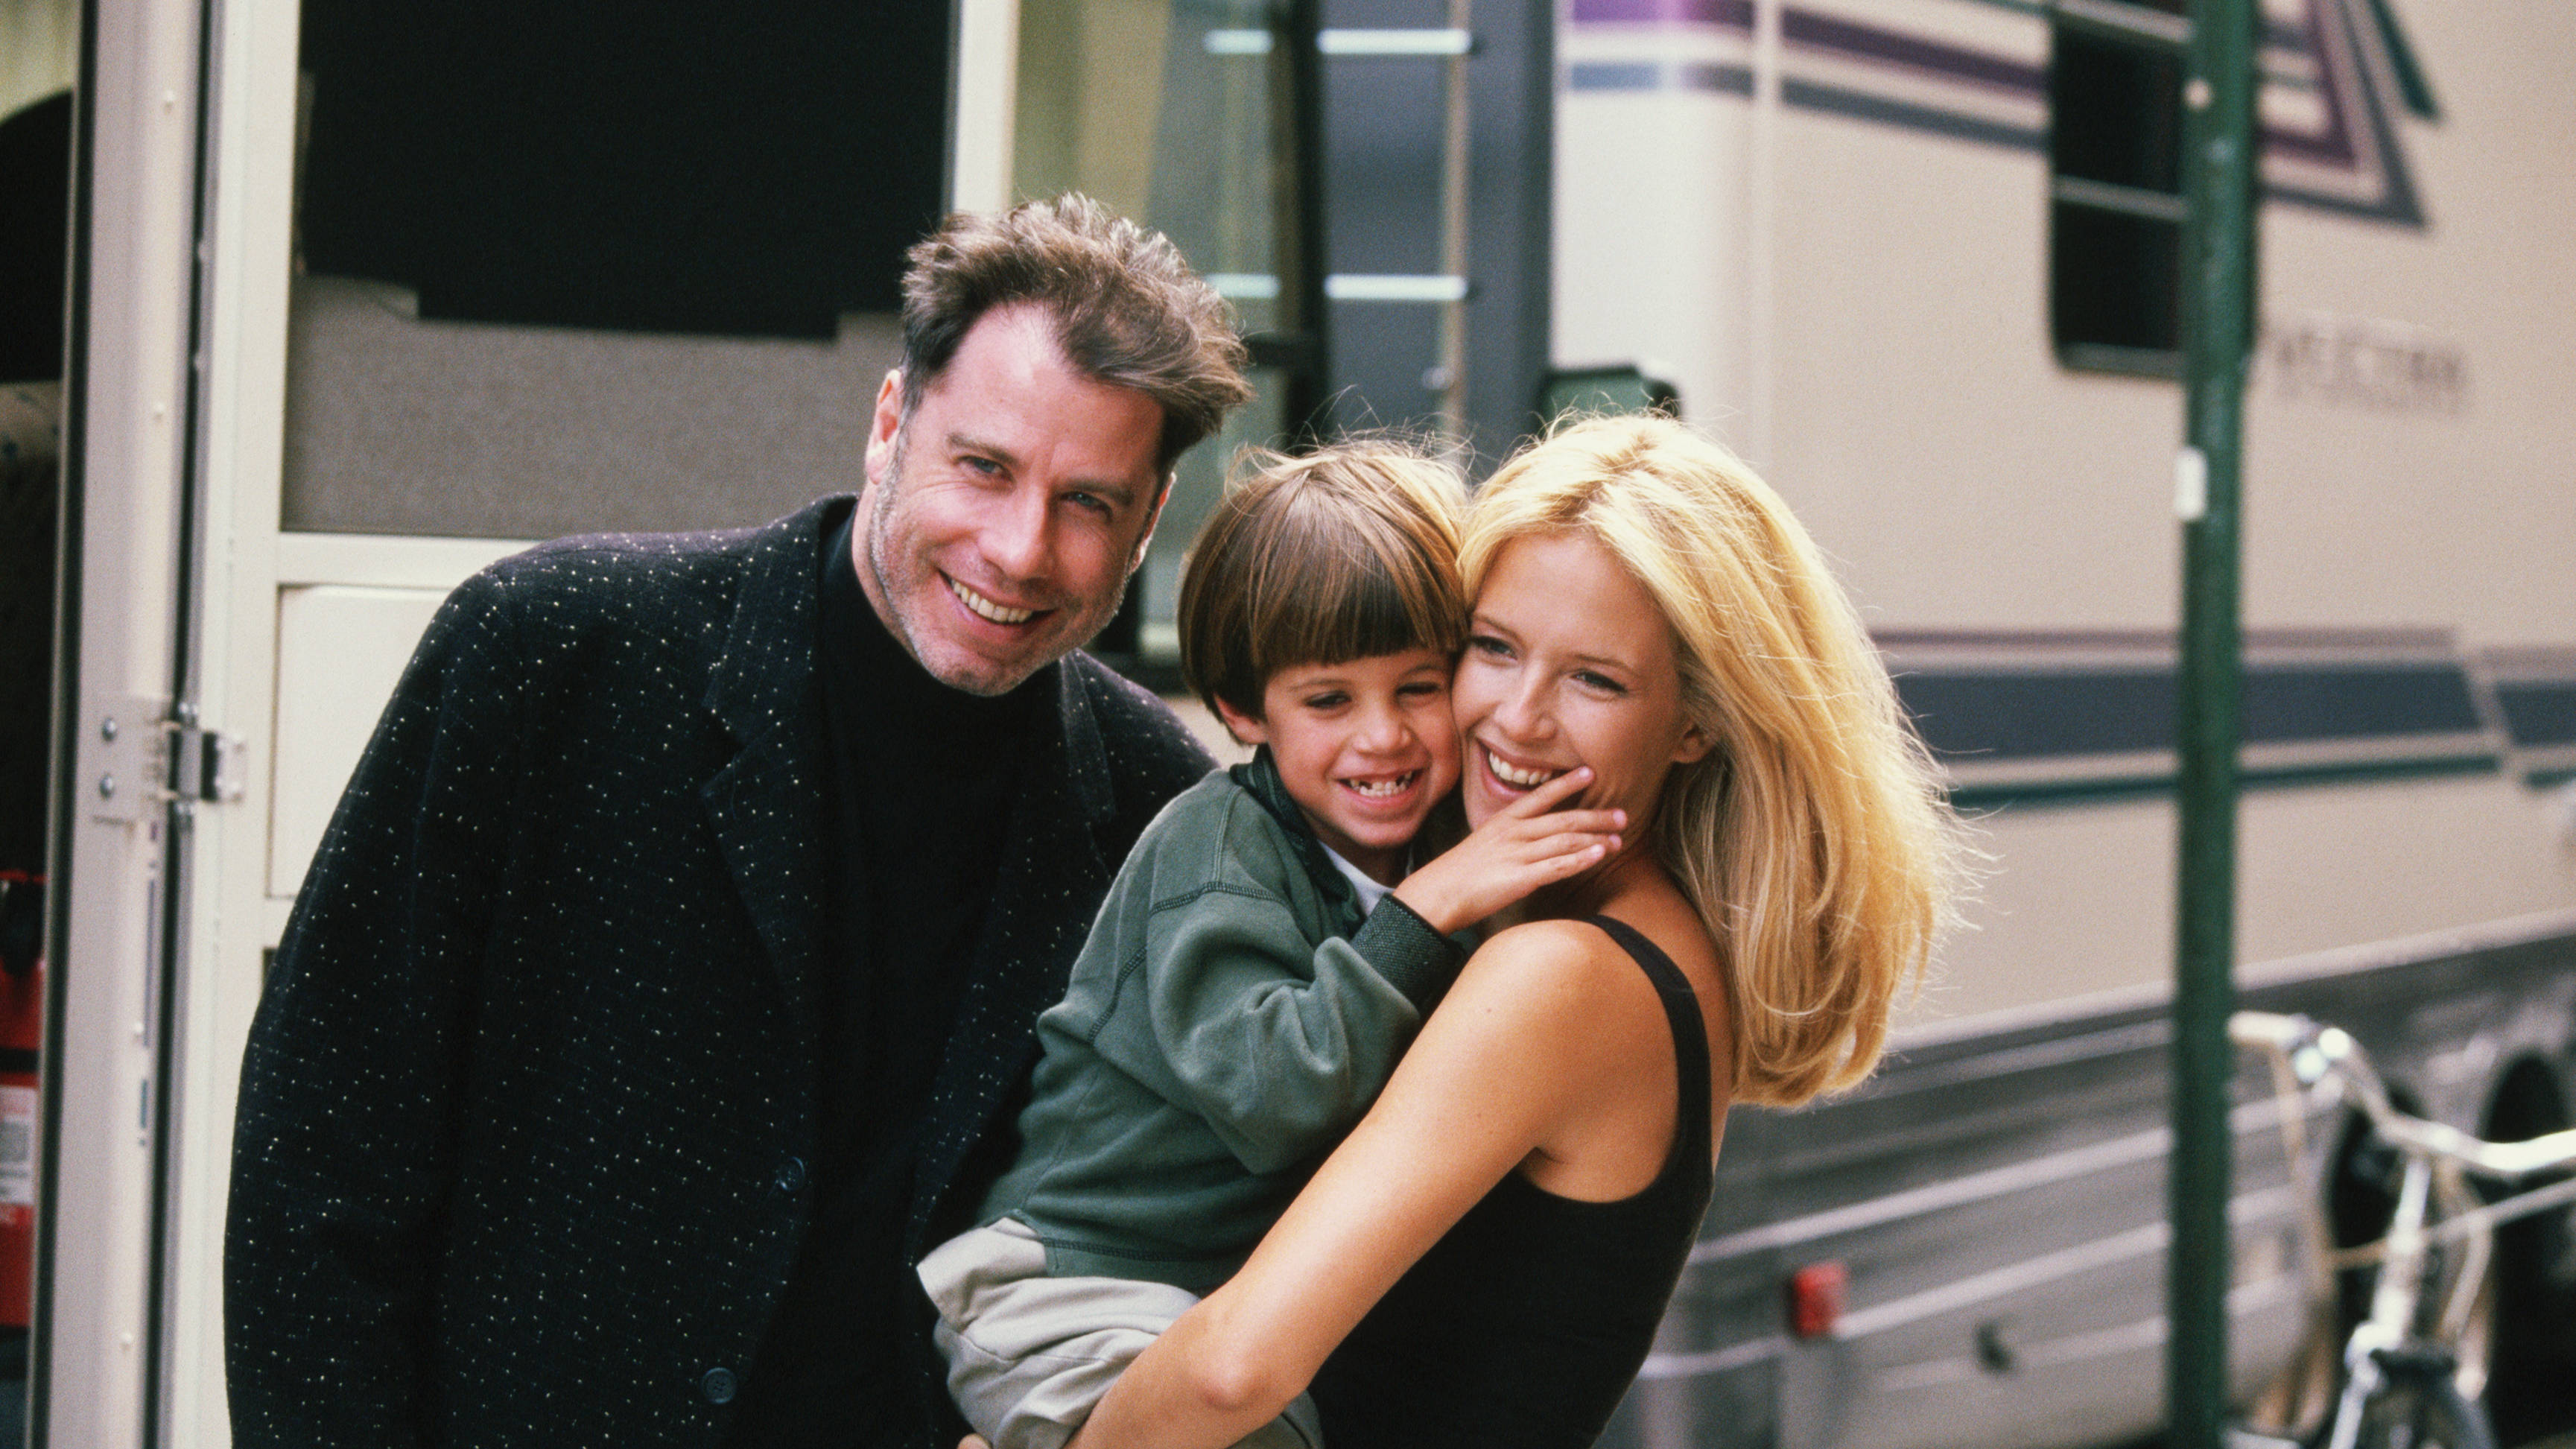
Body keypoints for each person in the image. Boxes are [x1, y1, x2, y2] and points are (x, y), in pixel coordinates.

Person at [223, 195, 1253, 1449]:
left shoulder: (1159, 805)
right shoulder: (551, 649)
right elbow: (325, 1150)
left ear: (1147, 523)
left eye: (1087, 502)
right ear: (890, 424)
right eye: (984, 466)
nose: (1020, 549)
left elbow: (1174, 1221)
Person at [1059, 413, 1964, 1449]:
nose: (1517, 717)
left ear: (1695, 723)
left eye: (1594, 678)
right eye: (1492, 648)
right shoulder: (1647, 943)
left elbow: (1231, 1371)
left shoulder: (1560, 978)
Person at [916, 442, 1628, 1449]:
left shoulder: (1443, 850)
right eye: (1329, 700)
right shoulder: (1215, 852)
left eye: (1419, 687)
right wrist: (1426, 910)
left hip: (1212, 1301)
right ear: (1245, 710)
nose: (1382, 738)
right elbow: (1274, 1096)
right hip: (1072, 1287)